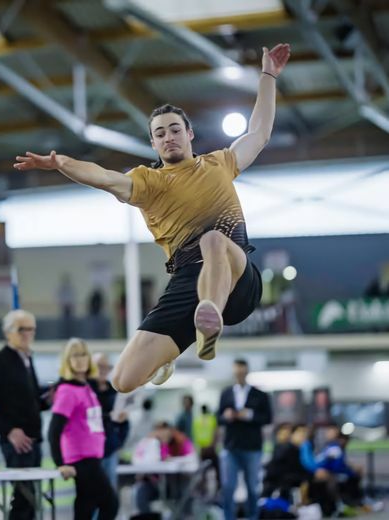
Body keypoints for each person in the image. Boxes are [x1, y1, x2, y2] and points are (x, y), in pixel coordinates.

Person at [14, 44, 291, 392]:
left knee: (213, 239)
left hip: (238, 278)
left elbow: (259, 132)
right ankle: (179, 345)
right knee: (121, 380)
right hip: (187, 280)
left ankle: (209, 318)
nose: (169, 137)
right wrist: (61, 164)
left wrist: (267, 76)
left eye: (175, 129)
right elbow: (103, 176)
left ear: (189, 134)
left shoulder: (220, 163)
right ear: (153, 143)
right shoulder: (148, 182)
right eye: (160, 134)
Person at [0, 309, 49, 520]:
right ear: (8, 332)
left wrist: (46, 401)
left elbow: (31, 402)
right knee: (23, 499)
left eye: (31, 329)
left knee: (32, 500)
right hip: (17, 442)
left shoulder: (27, 359)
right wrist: (9, 431)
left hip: (34, 440)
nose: (28, 333)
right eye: (22, 329)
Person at [48, 338, 118, 519]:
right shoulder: (68, 390)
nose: (79, 359)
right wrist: (60, 463)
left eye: (83, 355)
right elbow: (54, 429)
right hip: (81, 459)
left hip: (92, 456)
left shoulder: (85, 387)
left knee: (86, 504)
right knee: (110, 503)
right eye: (74, 356)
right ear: (67, 360)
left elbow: (87, 419)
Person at [217, 359, 272, 520]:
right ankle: (228, 517)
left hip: (252, 447)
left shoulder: (260, 395)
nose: (239, 375)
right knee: (228, 487)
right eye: (237, 372)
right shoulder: (226, 393)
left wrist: (249, 415)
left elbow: (268, 418)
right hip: (231, 447)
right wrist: (226, 417)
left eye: (242, 372)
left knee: (253, 487)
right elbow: (218, 418)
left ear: (247, 372)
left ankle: (253, 516)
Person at [134, 421, 195, 515]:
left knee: (185, 491)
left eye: (163, 430)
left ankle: (184, 516)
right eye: (158, 431)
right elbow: (141, 460)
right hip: (156, 483)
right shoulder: (152, 443)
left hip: (177, 483)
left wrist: (174, 460)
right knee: (140, 494)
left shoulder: (181, 441)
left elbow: (192, 461)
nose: (161, 433)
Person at [89, 352, 130, 489]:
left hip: (110, 449)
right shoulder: (85, 390)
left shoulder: (114, 391)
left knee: (110, 491)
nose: (103, 370)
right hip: (90, 451)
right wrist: (109, 417)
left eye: (106, 367)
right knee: (92, 492)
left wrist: (119, 441)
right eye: (99, 366)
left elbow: (123, 421)